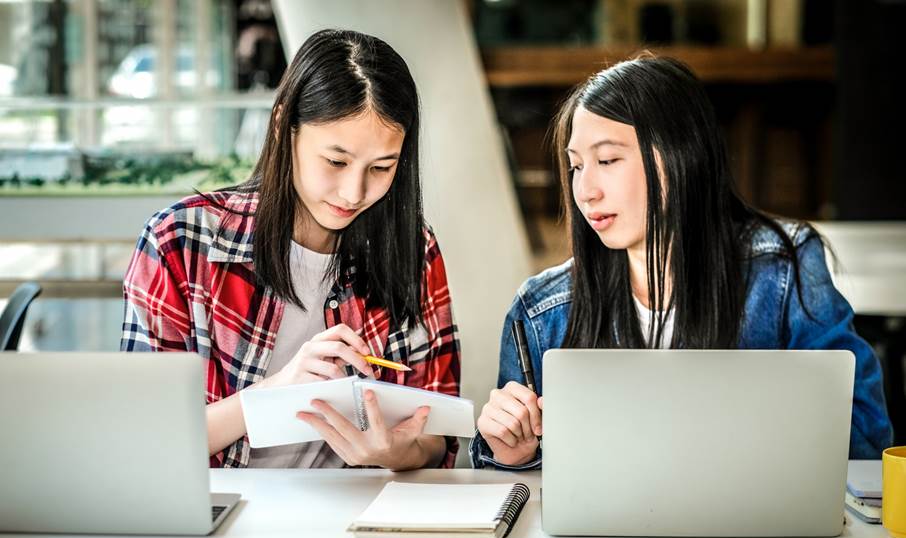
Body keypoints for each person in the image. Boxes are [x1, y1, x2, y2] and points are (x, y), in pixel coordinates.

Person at [471, 55, 892, 469]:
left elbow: (865, 439)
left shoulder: (781, 269)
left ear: (679, 157)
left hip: (753, 534)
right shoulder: (542, 312)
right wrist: (512, 454)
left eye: (607, 160)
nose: (586, 190)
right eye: (576, 166)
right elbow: (512, 491)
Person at [122, 29, 460, 470]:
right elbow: (143, 441)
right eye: (336, 162)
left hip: (358, 519)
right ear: (283, 125)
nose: (354, 192)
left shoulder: (413, 249)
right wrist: (274, 392)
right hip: (217, 518)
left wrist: (397, 453)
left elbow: (439, 432)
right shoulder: (180, 243)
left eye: (381, 167)